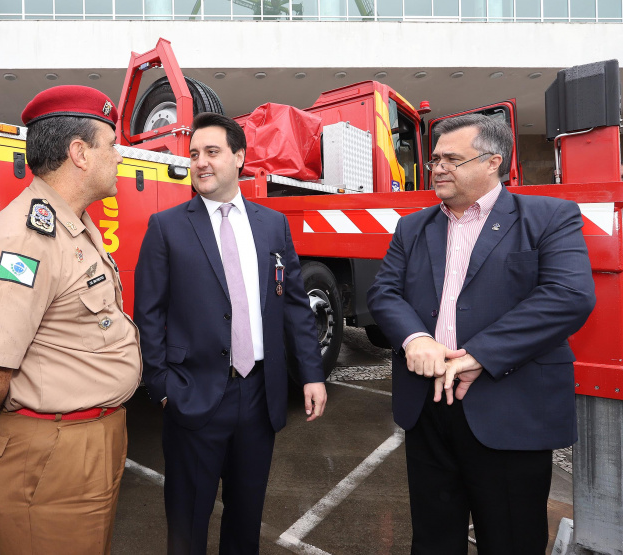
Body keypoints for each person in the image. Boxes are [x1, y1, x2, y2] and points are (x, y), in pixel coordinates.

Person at [367, 114, 595, 554]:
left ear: (494, 162)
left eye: (452, 158)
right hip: (428, 408)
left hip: (509, 407)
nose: (437, 167)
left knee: (511, 539)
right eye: (435, 159)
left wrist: (480, 355)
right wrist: (416, 339)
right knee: (433, 540)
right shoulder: (413, 228)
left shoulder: (548, 217)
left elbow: (568, 295)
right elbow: (384, 293)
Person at [0, 85, 140, 555]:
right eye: (110, 146)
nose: (119, 158)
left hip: (88, 439)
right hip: (52, 454)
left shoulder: (74, 224)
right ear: (79, 153)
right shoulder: (23, 242)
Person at [134, 112, 327, 555]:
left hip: (259, 397)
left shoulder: (272, 225)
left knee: (245, 521)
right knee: (187, 523)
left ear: (240, 157)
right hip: (194, 396)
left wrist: (312, 374)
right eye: (195, 154)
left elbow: (294, 305)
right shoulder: (167, 227)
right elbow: (148, 313)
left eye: (213, 152)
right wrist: (162, 385)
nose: (201, 162)